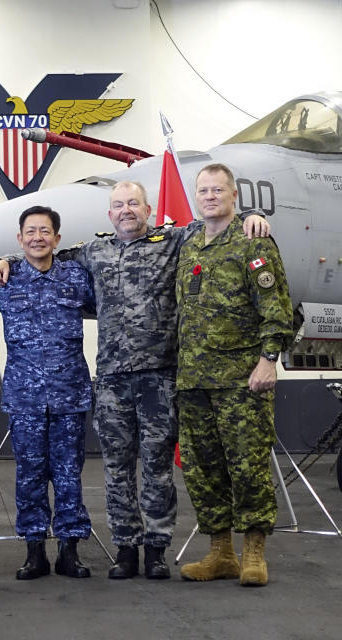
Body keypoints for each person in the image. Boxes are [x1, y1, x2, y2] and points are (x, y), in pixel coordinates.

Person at [0, 182, 269, 579]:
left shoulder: (172, 240)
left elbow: (214, 223)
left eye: (132, 203)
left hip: (159, 376)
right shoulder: (94, 251)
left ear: (147, 208)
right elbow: (44, 254)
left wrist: (253, 217)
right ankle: (125, 549)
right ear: (109, 214)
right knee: (116, 470)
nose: (125, 210)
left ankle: (155, 549)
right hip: (113, 379)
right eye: (118, 205)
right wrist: (5, 259)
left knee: (156, 467)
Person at [175, 164, 292, 587]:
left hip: (242, 380)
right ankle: (220, 553)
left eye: (217, 190)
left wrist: (268, 360)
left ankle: (254, 554)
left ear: (233, 195)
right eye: (203, 190)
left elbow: (276, 308)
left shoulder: (252, 240)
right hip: (193, 379)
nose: (209, 196)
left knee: (249, 467)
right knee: (204, 469)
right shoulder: (188, 244)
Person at [0, 206, 96, 579]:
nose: (37, 238)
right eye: (30, 232)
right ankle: (34, 551)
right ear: (19, 239)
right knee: (29, 475)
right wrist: (3, 263)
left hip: (69, 394)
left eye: (45, 231)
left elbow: (103, 303)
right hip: (25, 398)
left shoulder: (76, 277)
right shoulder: (5, 280)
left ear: (57, 239)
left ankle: (69, 550)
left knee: (68, 475)